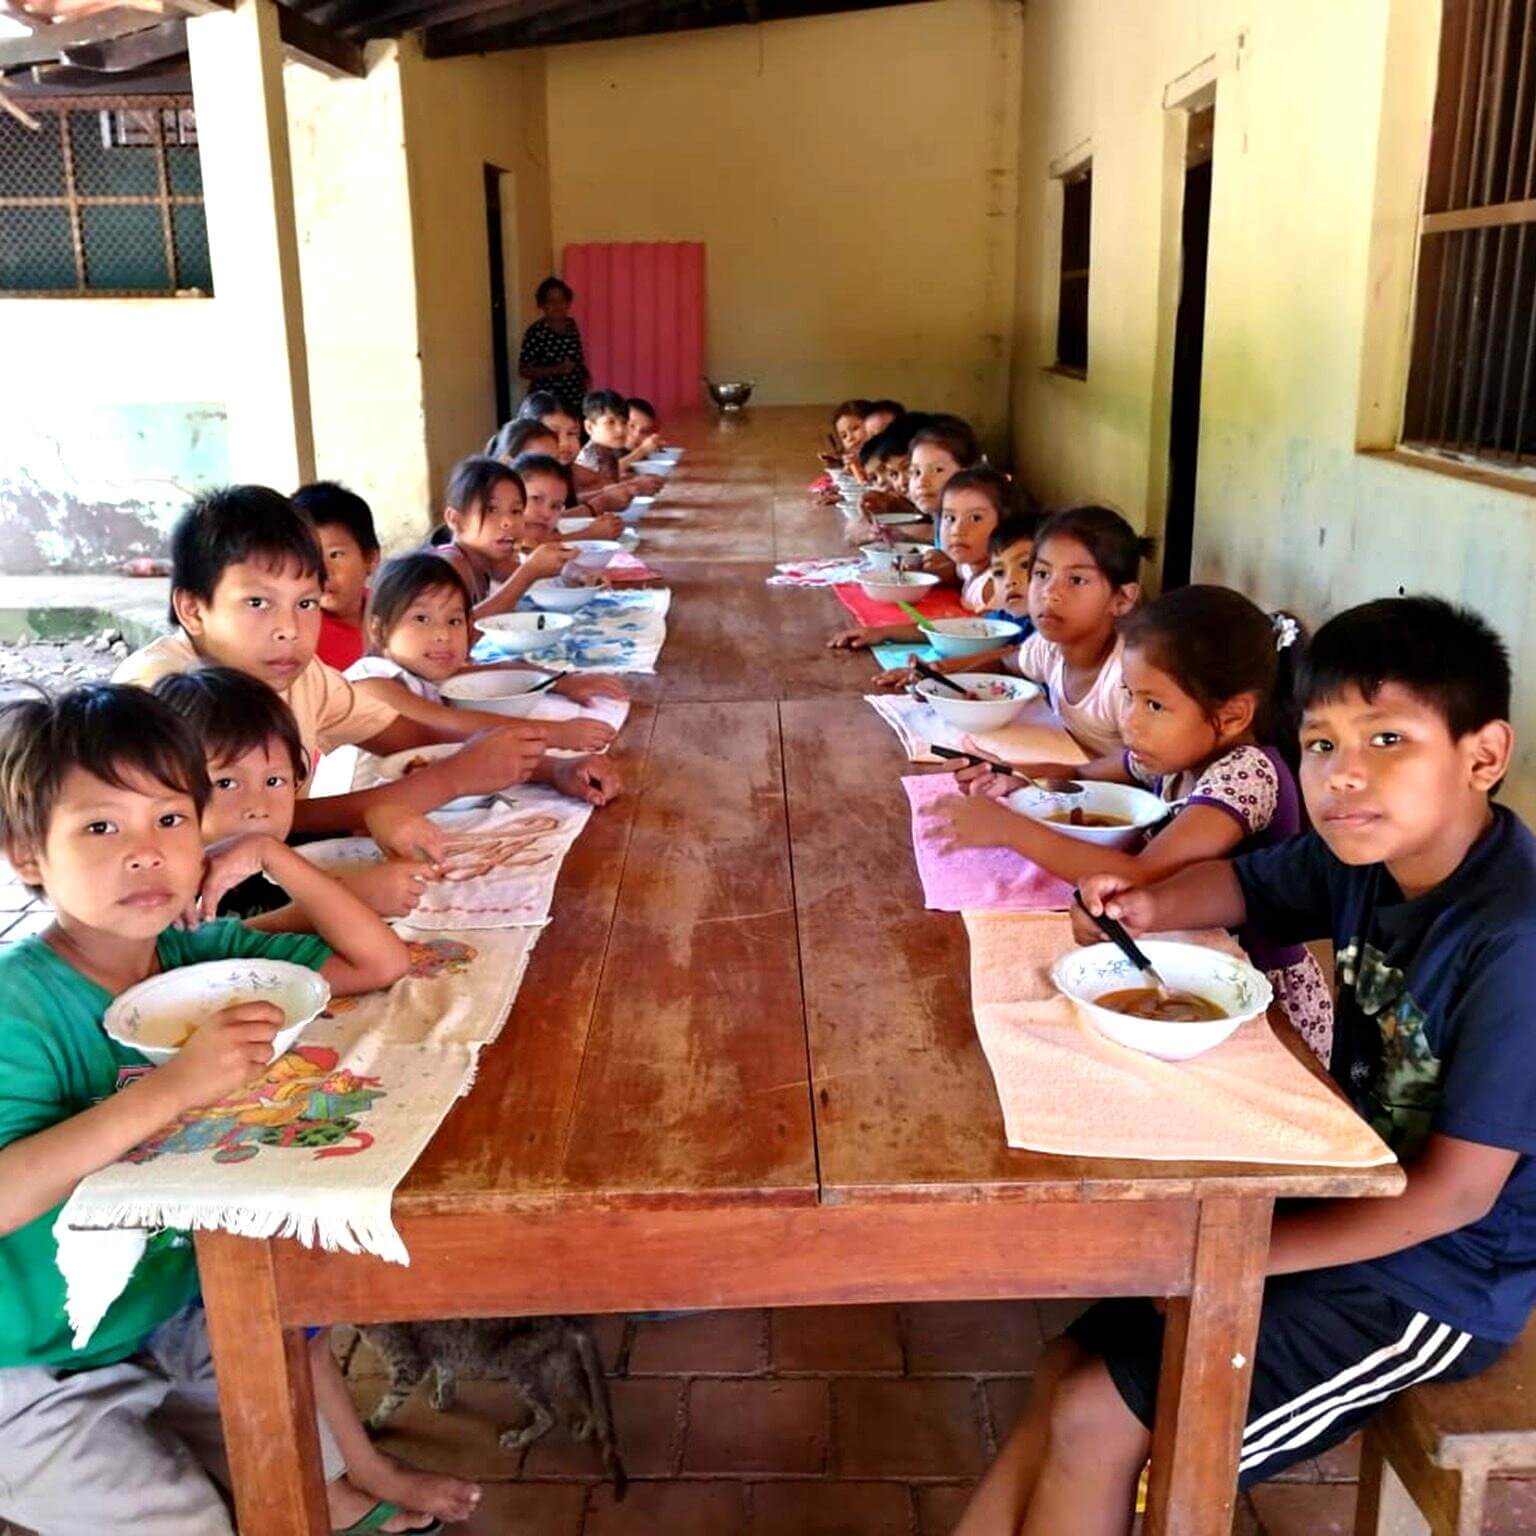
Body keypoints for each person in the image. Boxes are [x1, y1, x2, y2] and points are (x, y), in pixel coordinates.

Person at [956, 595, 1536, 1534]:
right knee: (1065, 1369)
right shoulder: (1368, 858)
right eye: (1320, 745)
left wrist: (1230, 1262)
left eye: (1387, 741)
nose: (1345, 776)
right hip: (1346, 1193)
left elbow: (1456, 1198)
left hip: (1439, 1280)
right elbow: (1245, 881)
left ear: (1483, 755)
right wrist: (1145, 910)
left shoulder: (1513, 939)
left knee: (1101, 1419)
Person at [0, 684, 445, 1536]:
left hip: (157, 1309)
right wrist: (175, 1087)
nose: (145, 855)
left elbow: (380, 961)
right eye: (101, 828)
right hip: (24, 1360)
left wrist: (275, 857)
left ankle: (332, 1485)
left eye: (170, 821)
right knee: (193, 1523)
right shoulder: (16, 1007)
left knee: (292, 1454)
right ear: (27, 855)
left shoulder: (196, 958)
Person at [938, 585, 1333, 1058]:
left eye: (1154, 705)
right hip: (1182, 960)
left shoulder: (1248, 773)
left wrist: (1008, 829)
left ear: (1232, 716)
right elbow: (1080, 776)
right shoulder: (1172, 751)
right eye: (1128, 695)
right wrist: (1012, 777)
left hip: (1255, 1004)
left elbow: (1143, 874)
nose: (1131, 722)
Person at [111, 486, 612, 840]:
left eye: (305, 603)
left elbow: (410, 739)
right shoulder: (156, 697)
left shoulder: (303, 677)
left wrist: (548, 769)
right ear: (193, 609)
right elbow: (248, 822)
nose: (289, 628)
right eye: (258, 603)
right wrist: (450, 780)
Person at [345, 554, 623, 760]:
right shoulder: (371, 685)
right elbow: (444, 726)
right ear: (379, 630)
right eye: (422, 618)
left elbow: (499, 670)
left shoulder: (418, 671)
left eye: (454, 620)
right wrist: (553, 733)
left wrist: (560, 682)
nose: (443, 634)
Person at [829, 467, 1019, 652]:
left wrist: (886, 632)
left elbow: (975, 631)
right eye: (950, 518)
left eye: (975, 518)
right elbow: (954, 573)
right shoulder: (970, 564)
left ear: (1007, 524)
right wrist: (918, 573)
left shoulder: (997, 583)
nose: (957, 530)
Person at [432, 456, 570, 622]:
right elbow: (460, 632)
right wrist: (528, 573)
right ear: (455, 519)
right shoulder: (450, 566)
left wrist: (571, 572)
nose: (508, 522)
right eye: (491, 509)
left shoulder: (487, 558)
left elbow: (524, 571)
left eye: (516, 511)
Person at [294, 481, 380, 673]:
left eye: (335, 555)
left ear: (370, 558)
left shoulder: (392, 610)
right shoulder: (299, 633)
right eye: (310, 556)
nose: (323, 571)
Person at [517, 276, 587, 418]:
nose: (558, 305)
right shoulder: (536, 331)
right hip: (548, 403)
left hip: (575, 397)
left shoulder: (571, 325)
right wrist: (556, 370)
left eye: (562, 300)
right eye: (551, 301)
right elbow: (523, 370)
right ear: (542, 305)